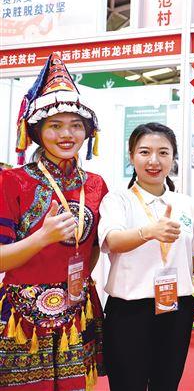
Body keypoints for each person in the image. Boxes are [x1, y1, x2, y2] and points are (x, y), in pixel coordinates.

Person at [0, 52, 107, 390]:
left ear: (87, 132)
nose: (67, 134)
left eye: (76, 125)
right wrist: (42, 238)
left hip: (77, 309)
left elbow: (93, 248)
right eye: (55, 125)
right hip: (22, 315)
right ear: (37, 131)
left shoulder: (96, 185)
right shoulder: (12, 181)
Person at [98, 123, 194, 390]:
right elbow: (113, 241)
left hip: (176, 309)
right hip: (130, 311)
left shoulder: (187, 204)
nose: (154, 161)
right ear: (131, 156)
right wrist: (148, 232)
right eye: (145, 152)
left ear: (173, 157)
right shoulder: (118, 200)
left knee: (167, 383)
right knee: (127, 384)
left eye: (163, 153)